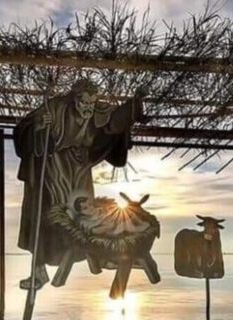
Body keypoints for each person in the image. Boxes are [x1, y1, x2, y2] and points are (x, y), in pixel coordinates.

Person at [14, 79, 146, 289]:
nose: (88, 108)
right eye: (84, 103)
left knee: (83, 217)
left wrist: (134, 104)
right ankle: (38, 272)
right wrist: (39, 128)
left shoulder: (98, 111)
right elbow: (25, 129)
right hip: (51, 168)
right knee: (43, 216)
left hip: (79, 170)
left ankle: (100, 256)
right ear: (74, 99)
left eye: (92, 103)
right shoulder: (55, 107)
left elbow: (115, 121)